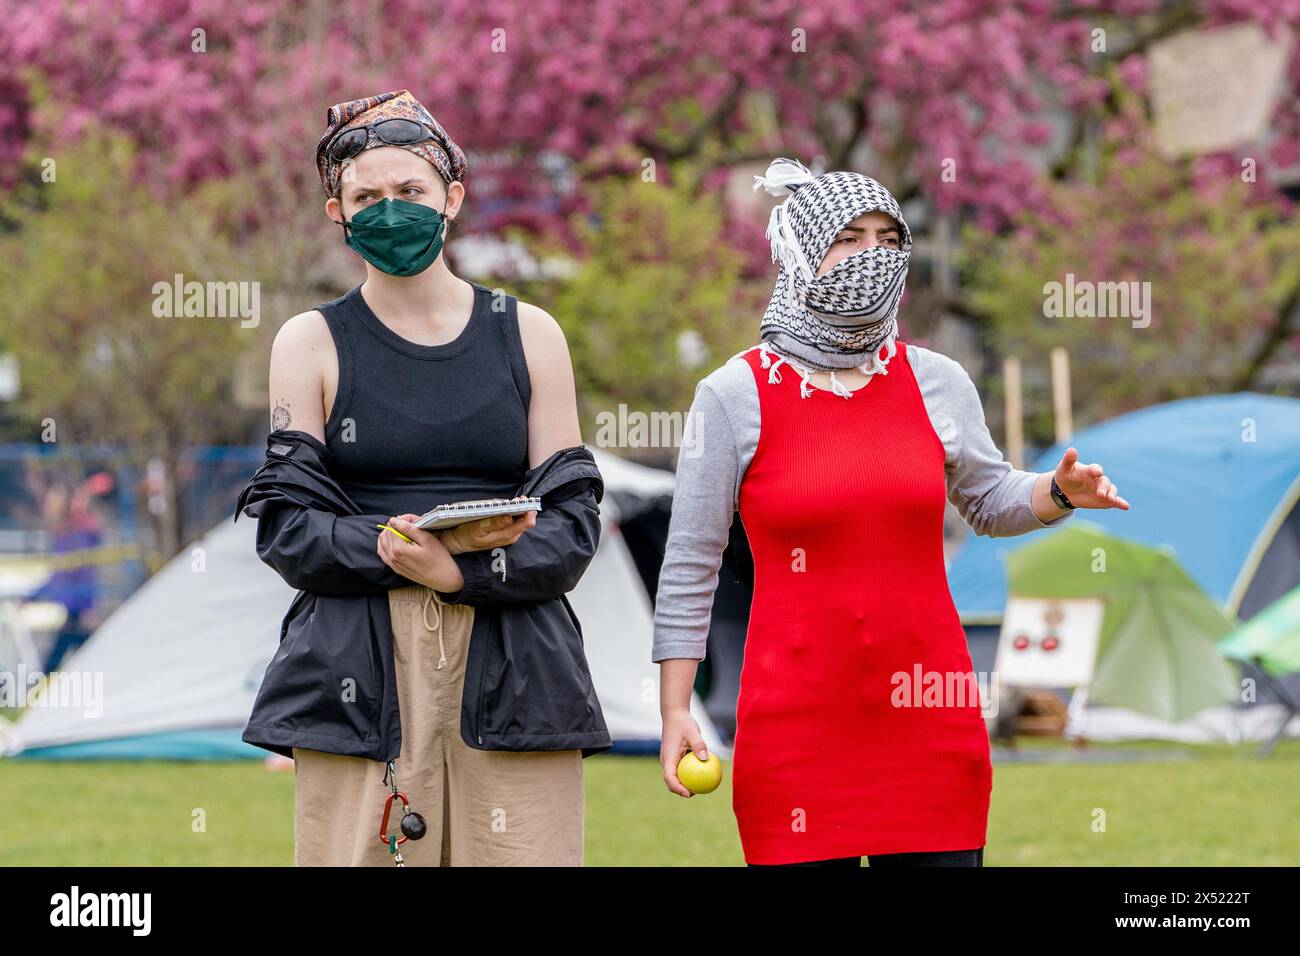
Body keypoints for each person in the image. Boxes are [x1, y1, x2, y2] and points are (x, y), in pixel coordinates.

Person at [653, 158, 1131, 868]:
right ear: (802, 248)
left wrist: (1059, 493)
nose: (872, 256)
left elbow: (990, 500)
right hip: (795, 726)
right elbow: (691, 560)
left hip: (929, 718)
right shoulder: (732, 394)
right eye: (850, 239)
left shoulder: (939, 380)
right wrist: (673, 712)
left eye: (887, 239)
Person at [251, 89, 608, 866]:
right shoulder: (308, 341)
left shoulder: (531, 334)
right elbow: (288, 529)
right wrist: (398, 551)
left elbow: (574, 524)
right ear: (335, 213)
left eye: (409, 191)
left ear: (451, 196)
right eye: (366, 197)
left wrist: (459, 570)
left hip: (517, 664)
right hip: (358, 671)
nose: (390, 210)